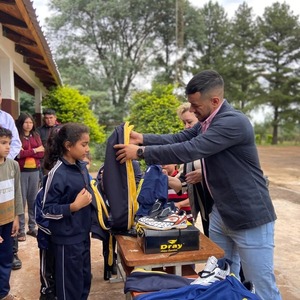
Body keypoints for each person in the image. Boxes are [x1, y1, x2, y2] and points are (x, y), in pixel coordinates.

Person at [114, 70, 281, 300]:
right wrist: (143, 138)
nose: (191, 110)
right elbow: (179, 139)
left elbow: (190, 149)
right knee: (219, 279)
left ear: (214, 101)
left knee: (261, 286)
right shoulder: (207, 122)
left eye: (195, 106)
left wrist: (141, 152)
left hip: (249, 217)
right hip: (221, 214)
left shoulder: (233, 122)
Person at [42, 123, 93, 300]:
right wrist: (73, 206)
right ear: (68, 146)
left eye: (88, 144)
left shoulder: (81, 167)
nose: (87, 149)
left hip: (82, 235)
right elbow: (46, 210)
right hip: (66, 241)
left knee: (84, 281)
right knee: (69, 287)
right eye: (83, 144)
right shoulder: (56, 174)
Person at [176, 103, 212, 236]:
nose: (186, 126)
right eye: (184, 122)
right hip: (206, 210)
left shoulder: (214, 141)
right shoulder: (189, 150)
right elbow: (183, 182)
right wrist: (164, 179)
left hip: (224, 209)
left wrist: (205, 173)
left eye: (189, 122)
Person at [0, 88, 22, 270]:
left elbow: (15, 143)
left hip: (5, 168)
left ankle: (13, 252)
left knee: (9, 203)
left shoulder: (6, 117)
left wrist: (5, 161)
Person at [0, 127, 23, 300]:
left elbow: (17, 192)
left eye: (8, 143)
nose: (8, 147)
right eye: (3, 143)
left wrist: (16, 217)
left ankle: (3, 292)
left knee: (6, 257)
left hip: (8, 221)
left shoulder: (13, 165)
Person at [15, 113, 44, 241]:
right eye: (26, 122)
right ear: (21, 123)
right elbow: (18, 154)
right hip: (21, 171)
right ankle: (21, 230)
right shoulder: (17, 136)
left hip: (34, 171)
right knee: (21, 200)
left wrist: (31, 152)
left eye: (30, 122)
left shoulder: (36, 135)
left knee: (33, 200)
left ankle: (32, 227)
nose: (28, 125)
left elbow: (42, 153)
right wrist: (34, 150)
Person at [37, 109, 59, 177]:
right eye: (46, 118)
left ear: (55, 118)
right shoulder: (39, 130)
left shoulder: (61, 129)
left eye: (51, 118)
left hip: (58, 158)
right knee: (46, 179)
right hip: (45, 160)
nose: (49, 120)